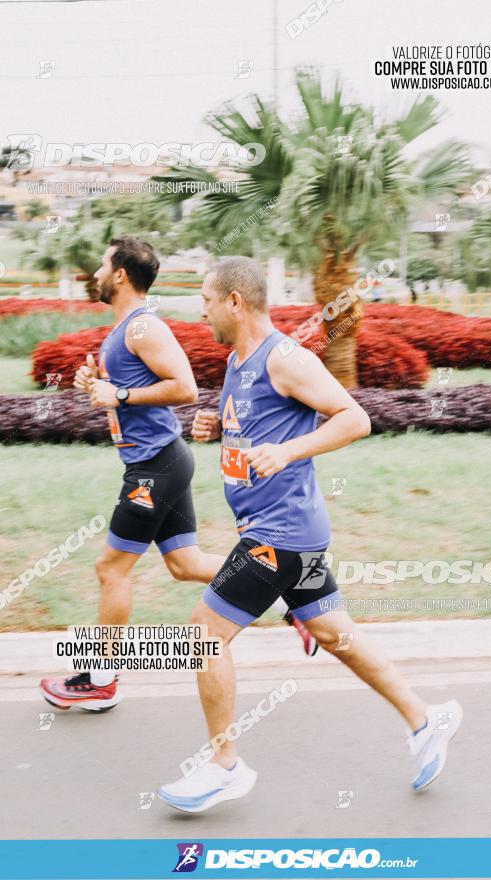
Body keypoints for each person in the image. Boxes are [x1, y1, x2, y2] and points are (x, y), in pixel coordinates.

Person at [157, 256, 462, 812]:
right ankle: (426, 720)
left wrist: (290, 450)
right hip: (283, 531)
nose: (199, 308)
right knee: (335, 635)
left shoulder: (285, 358)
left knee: (203, 636)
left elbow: (354, 418)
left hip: (282, 532)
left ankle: (224, 766)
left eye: (205, 298)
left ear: (235, 301)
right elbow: (250, 430)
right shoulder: (236, 361)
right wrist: (213, 427)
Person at [39, 238, 317, 713]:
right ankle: (287, 593)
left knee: (110, 567)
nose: (97, 272)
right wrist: (101, 387)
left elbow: (184, 388)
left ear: (121, 274)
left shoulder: (143, 326)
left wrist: (120, 397)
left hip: (156, 467)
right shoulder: (125, 328)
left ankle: (102, 679)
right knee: (184, 564)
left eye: (105, 265)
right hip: (158, 461)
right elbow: (126, 390)